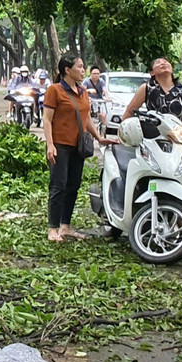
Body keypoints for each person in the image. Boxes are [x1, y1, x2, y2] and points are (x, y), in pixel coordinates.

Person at [42, 53, 112, 243]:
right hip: (60, 145)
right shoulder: (54, 91)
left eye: (83, 67)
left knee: (73, 186)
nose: (83, 71)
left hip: (77, 146)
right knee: (58, 186)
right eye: (80, 67)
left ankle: (65, 226)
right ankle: (53, 228)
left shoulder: (82, 92)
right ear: (67, 70)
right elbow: (47, 120)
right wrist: (50, 144)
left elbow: (86, 118)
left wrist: (99, 138)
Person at [120, 57, 182, 166]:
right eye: (158, 62)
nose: (163, 63)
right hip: (156, 141)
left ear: (172, 69)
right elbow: (129, 112)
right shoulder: (146, 88)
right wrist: (123, 135)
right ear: (152, 72)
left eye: (165, 62)